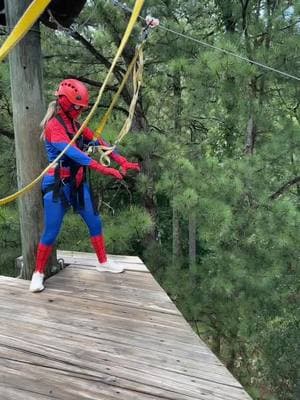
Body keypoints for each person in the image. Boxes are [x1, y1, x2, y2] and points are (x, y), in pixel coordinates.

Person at [29, 79, 140, 293]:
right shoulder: (54, 127)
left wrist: (121, 160)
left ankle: (103, 262)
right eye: (77, 107)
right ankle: (38, 273)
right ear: (66, 104)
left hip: (78, 184)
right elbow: (74, 154)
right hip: (58, 185)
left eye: (82, 108)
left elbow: (99, 142)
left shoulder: (76, 125)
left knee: (94, 222)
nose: (80, 111)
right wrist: (105, 169)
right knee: (51, 231)